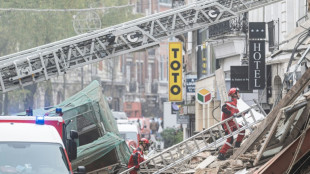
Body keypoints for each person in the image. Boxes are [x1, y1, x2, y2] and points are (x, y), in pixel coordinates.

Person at [217, 87, 245, 161]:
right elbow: (223, 109)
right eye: (237, 93)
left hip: (231, 122)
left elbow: (237, 114)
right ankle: (221, 154)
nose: (238, 94)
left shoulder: (234, 104)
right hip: (226, 123)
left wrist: (244, 113)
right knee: (230, 139)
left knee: (242, 129)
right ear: (234, 94)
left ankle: (237, 145)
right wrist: (232, 113)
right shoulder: (229, 103)